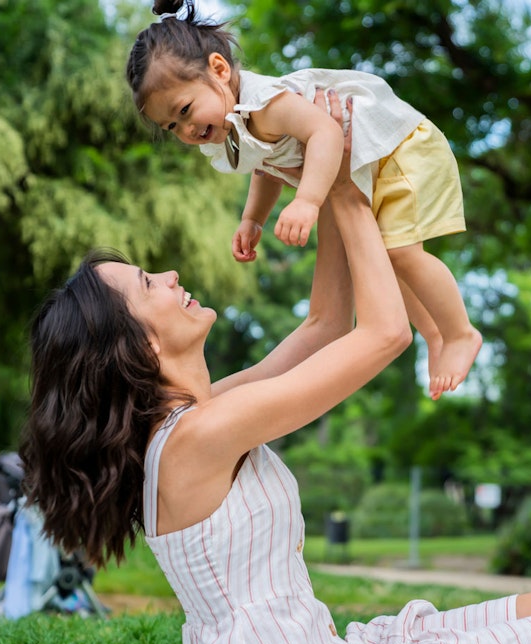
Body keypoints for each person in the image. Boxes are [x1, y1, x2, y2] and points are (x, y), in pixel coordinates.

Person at [21, 90, 531, 644]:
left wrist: (318, 177)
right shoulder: (199, 437)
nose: (168, 276)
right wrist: (347, 188)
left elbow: (325, 325)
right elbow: (385, 334)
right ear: (139, 347)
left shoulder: (204, 416)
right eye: (146, 284)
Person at [126, 0, 482, 401]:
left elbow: (326, 133)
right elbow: (266, 166)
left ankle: (460, 333)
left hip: (399, 149)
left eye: (185, 110)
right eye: (172, 126)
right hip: (373, 166)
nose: (187, 128)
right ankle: (434, 336)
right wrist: (253, 219)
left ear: (220, 70)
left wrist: (309, 201)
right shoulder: (240, 122)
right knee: (388, 259)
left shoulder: (267, 103)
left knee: (402, 254)